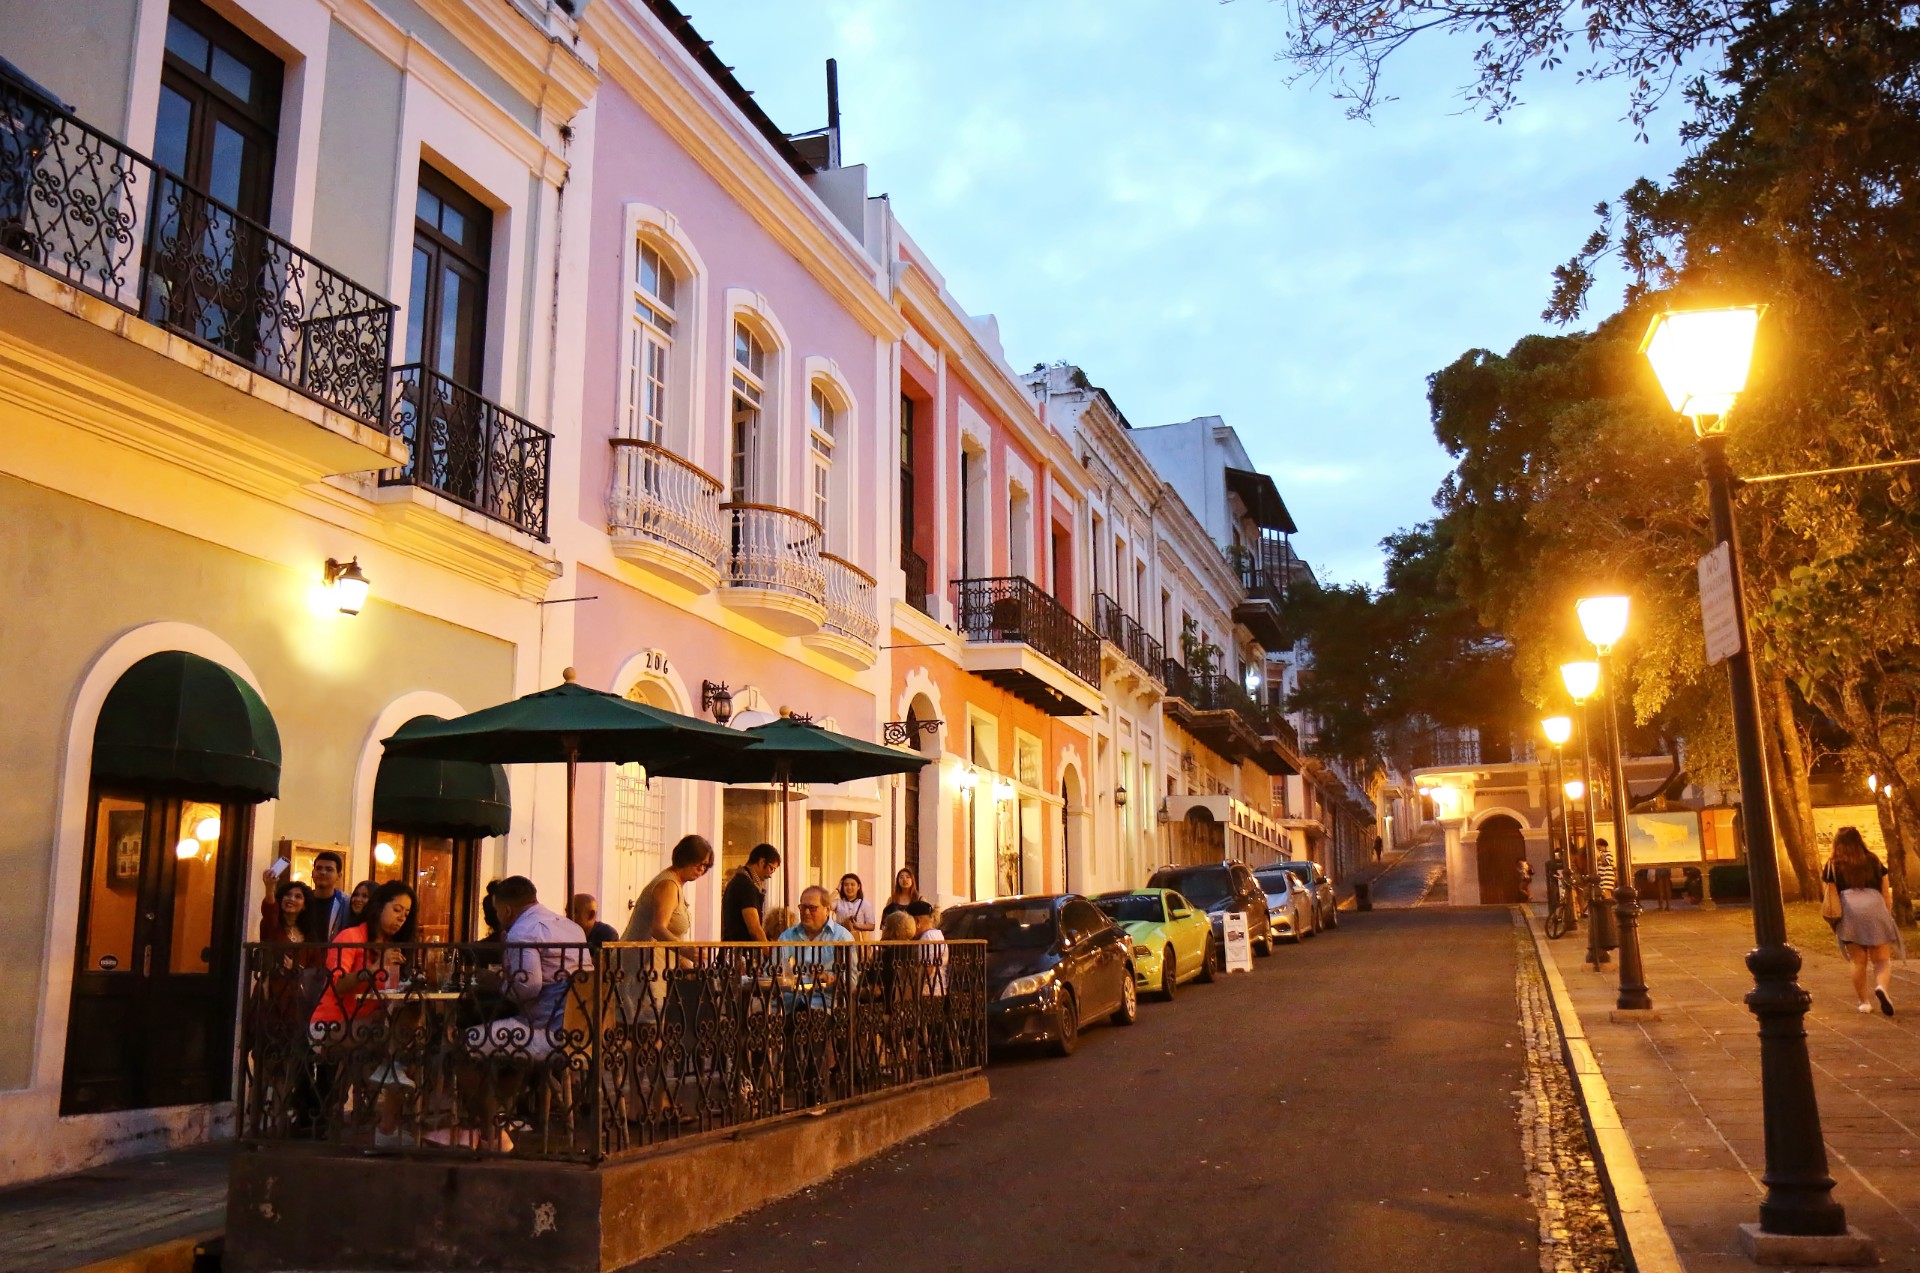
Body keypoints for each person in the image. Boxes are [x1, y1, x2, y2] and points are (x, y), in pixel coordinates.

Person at [309, 880, 418, 1145]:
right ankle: (388, 1128)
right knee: (407, 1046)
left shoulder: (391, 945)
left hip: (371, 1023)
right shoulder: (350, 938)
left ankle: (393, 1121)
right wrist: (375, 966)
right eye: (397, 909)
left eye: (406, 914)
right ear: (379, 905)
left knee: (417, 1032)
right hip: (331, 1023)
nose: (401, 918)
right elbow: (340, 982)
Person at [466, 876, 591, 1060]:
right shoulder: (572, 928)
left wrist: (494, 981)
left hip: (548, 1031)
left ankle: (489, 1089)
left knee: (466, 1040)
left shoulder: (522, 931)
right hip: (586, 1030)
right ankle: (533, 1088)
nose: (497, 917)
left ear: (507, 910)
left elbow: (528, 988)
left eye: (497, 911)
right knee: (503, 1040)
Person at [1824, 826, 1902, 1016]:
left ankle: (1864, 1003)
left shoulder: (1833, 865)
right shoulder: (1873, 860)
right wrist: (1886, 915)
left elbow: (1828, 894)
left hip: (1850, 911)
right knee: (1882, 960)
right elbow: (1885, 892)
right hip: (1875, 907)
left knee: (1858, 961)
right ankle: (1881, 988)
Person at [624, 835, 715, 943]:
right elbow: (658, 929)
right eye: (698, 863)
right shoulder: (669, 885)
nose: (701, 869)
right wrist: (685, 950)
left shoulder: (675, 882)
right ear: (685, 858)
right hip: (640, 958)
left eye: (705, 866)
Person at [720, 844, 779, 942]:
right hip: (740, 953)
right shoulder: (746, 885)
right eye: (771, 868)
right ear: (762, 862)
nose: (770, 875)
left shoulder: (738, 881)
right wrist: (769, 953)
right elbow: (754, 929)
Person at [306, 851, 352, 940]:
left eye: (329, 869)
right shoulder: (303, 900)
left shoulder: (346, 904)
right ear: (312, 873)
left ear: (339, 876)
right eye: (319, 868)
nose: (323, 872)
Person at [832, 873, 877, 940]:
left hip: (859, 942)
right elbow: (824, 905)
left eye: (852, 885)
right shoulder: (838, 903)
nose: (849, 887)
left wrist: (858, 926)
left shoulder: (865, 904)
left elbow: (871, 926)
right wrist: (837, 890)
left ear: (858, 886)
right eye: (846, 885)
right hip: (841, 940)